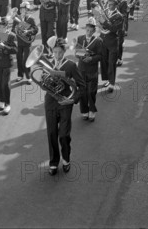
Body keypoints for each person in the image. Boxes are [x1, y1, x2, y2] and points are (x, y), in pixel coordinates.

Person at [44, 38, 85, 175]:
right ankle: (54, 162)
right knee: (51, 134)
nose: (57, 55)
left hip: (65, 103)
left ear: (64, 51)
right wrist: (47, 79)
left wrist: (73, 100)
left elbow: (82, 86)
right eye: (54, 52)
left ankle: (66, 159)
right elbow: (44, 84)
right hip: (50, 103)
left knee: (63, 135)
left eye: (59, 52)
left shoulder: (71, 65)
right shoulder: (47, 64)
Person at [74, 17, 103, 121]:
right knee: (83, 91)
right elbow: (76, 53)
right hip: (81, 69)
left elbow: (100, 56)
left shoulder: (98, 40)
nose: (89, 32)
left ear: (94, 30)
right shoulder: (80, 38)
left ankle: (92, 111)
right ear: (85, 28)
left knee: (91, 92)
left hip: (92, 70)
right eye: (87, 29)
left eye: (91, 30)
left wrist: (91, 58)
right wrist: (82, 56)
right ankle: (84, 111)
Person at [0, 25, 18, 115]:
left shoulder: (11, 36)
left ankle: (8, 104)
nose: (1, 29)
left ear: (6, 27)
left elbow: (15, 49)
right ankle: (2, 101)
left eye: (3, 27)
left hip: (7, 63)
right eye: (0, 28)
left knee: (5, 84)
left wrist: (4, 46)